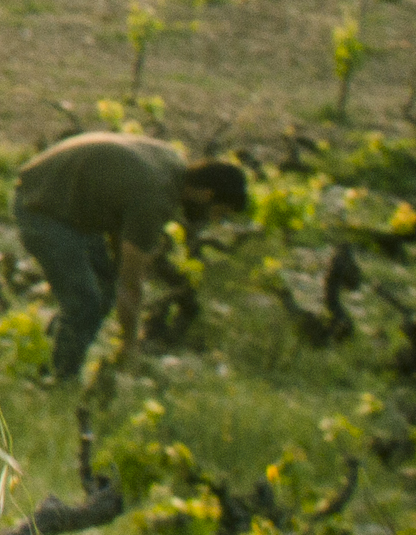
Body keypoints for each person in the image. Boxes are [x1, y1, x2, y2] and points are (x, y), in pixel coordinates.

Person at [13, 127, 251, 380]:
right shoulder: (156, 198)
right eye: (219, 213)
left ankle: (51, 360)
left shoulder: (172, 163)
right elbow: (130, 284)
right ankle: (60, 379)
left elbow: (122, 246)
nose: (214, 221)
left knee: (102, 293)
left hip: (72, 205)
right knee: (85, 302)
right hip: (42, 207)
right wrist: (129, 344)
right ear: (206, 195)